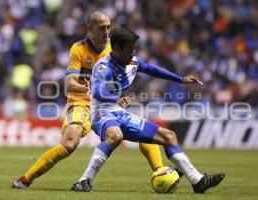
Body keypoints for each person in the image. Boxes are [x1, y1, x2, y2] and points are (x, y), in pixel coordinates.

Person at [12, 11, 165, 189]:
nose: (107, 31)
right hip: (81, 102)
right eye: (102, 28)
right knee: (69, 144)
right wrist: (96, 90)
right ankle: (25, 179)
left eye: (109, 27)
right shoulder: (79, 49)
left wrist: (120, 96)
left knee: (142, 131)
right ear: (90, 29)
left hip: (107, 105)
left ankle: (160, 171)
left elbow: (125, 77)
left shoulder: (115, 48)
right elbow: (71, 84)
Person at [71, 26, 225, 193]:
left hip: (119, 111)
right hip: (101, 112)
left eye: (134, 49)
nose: (133, 53)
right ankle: (84, 181)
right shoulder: (103, 67)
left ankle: (197, 180)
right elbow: (98, 91)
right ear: (116, 48)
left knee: (169, 136)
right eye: (130, 50)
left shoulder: (132, 62)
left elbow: (152, 69)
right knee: (115, 135)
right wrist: (116, 98)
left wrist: (180, 79)